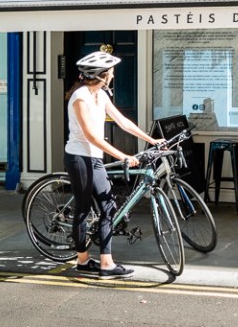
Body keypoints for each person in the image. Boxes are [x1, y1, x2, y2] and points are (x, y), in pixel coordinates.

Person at [64, 51, 164, 280]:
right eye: (110, 71)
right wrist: (124, 156)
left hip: (95, 159)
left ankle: (106, 263)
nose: (113, 74)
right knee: (82, 209)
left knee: (108, 206)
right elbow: (91, 137)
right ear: (102, 74)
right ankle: (82, 261)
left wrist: (152, 140)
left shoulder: (101, 94)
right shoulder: (80, 98)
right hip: (79, 158)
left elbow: (123, 122)